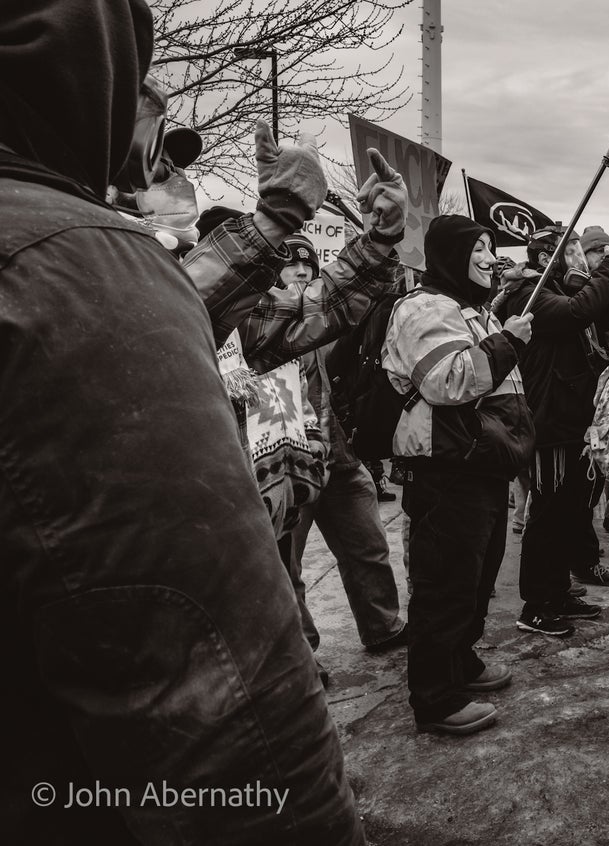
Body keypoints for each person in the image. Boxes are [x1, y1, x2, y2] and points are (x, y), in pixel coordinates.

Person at [0, 1, 363, 842]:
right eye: (139, 86)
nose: (150, 169)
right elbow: (215, 692)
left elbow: (269, 317)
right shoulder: (71, 261)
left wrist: (310, 238)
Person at [383, 215, 535, 735]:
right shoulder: (425, 308)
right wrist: (508, 341)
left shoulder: (472, 311)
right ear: (449, 254)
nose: (492, 258)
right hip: (446, 469)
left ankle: (460, 662)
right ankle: (434, 697)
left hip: (481, 465)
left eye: (492, 247)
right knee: (445, 584)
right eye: (480, 248)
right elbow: (447, 382)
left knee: (476, 577)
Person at [495, 225, 609, 637]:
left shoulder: (558, 289)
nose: (578, 256)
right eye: (570, 249)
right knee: (547, 516)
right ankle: (535, 605)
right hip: (550, 422)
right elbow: (579, 312)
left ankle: (557, 592)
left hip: (571, 420)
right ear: (545, 258)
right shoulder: (530, 296)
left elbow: (602, 312)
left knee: (570, 511)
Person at [281, 234, 408, 655]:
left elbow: (368, 305)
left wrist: (387, 248)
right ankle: (302, 656)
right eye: (290, 263)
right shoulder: (259, 325)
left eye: (308, 264)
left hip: (340, 458)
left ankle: (383, 626)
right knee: (286, 568)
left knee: (368, 546)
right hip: (287, 466)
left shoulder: (324, 321)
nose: (301, 270)